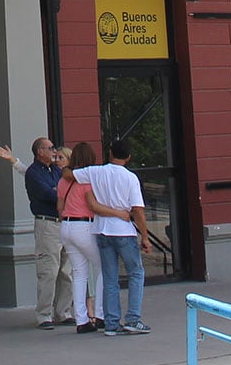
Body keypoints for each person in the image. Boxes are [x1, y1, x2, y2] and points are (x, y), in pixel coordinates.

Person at [0, 138, 74, 328]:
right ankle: (44, 314)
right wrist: (60, 191)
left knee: (67, 271)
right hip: (47, 224)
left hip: (64, 223)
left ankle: (63, 312)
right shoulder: (34, 172)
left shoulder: (56, 170)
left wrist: (60, 190)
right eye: (50, 148)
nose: (54, 151)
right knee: (49, 270)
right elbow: (50, 194)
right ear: (40, 151)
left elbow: (65, 188)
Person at [78, 138, 152, 336]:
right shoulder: (130, 178)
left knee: (110, 278)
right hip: (124, 230)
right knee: (136, 273)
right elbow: (137, 210)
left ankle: (111, 323)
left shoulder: (96, 172)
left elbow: (70, 174)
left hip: (101, 228)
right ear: (128, 157)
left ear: (110, 153)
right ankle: (133, 319)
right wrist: (144, 237)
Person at [57, 142, 121, 334]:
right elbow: (93, 205)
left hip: (66, 227)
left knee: (79, 272)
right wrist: (117, 213)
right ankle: (100, 314)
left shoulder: (63, 181)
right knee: (103, 266)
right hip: (84, 226)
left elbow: (59, 208)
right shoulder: (88, 180)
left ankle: (82, 320)